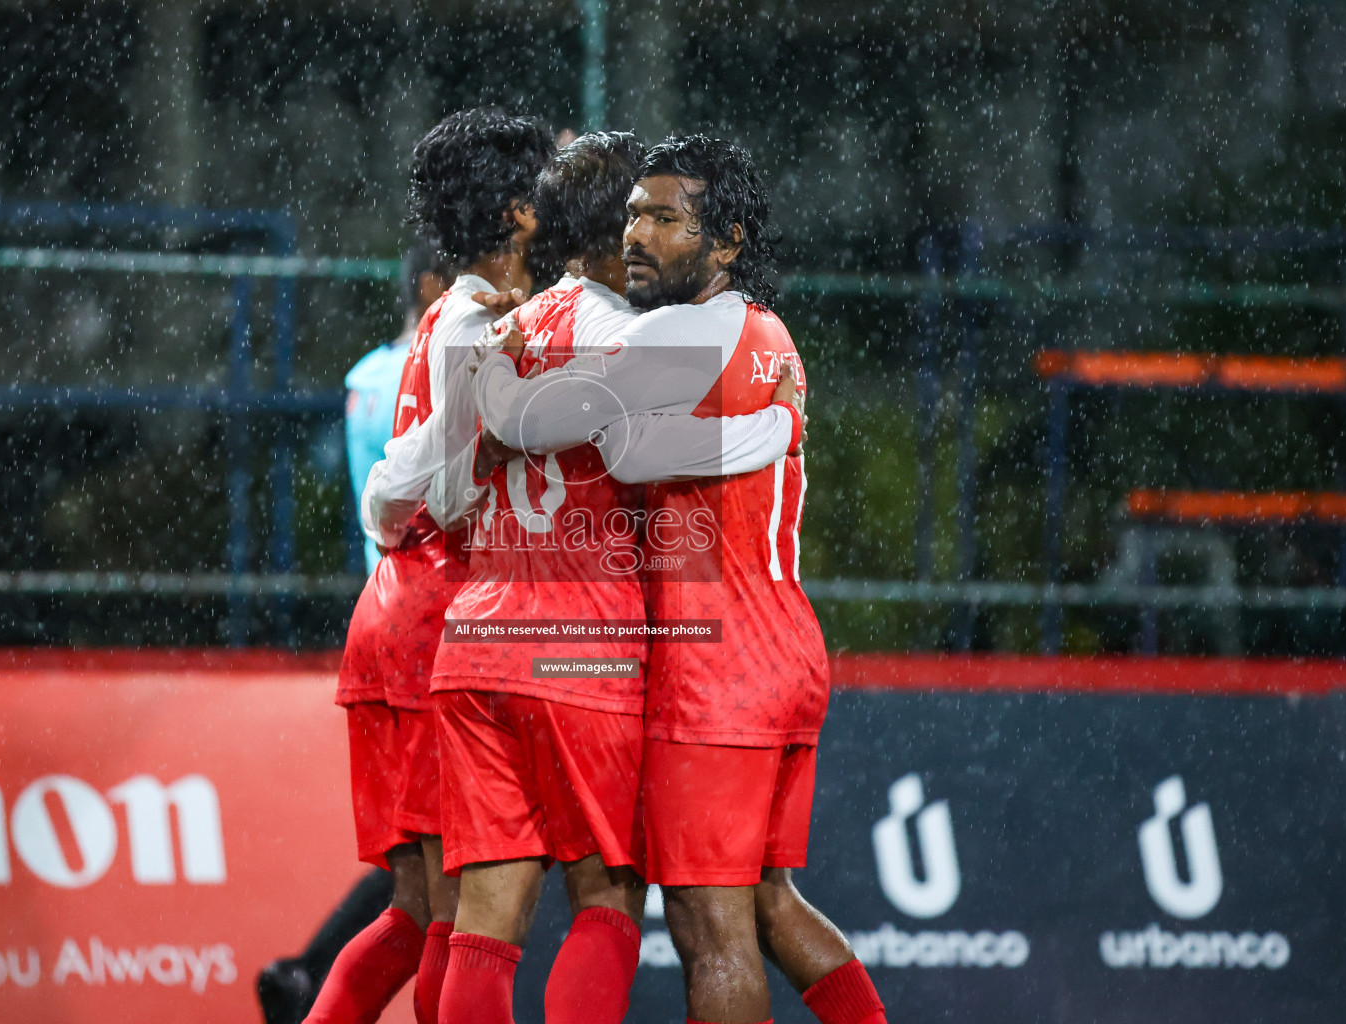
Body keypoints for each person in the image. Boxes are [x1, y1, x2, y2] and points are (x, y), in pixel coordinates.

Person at [470, 136, 887, 1024]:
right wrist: (772, 434)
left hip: (717, 663)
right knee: (770, 903)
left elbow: (559, 429)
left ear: (727, 241)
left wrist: (500, 362)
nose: (638, 234)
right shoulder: (766, 331)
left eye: (666, 219)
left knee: (708, 929)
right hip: (786, 644)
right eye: (632, 214)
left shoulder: (678, 330)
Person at [304, 107, 552, 1024]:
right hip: (435, 623)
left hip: (400, 610)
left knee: (419, 913)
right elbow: (434, 488)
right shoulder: (473, 328)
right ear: (520, 212)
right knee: (464, 911)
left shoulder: (452, 316)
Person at [256, 245, 454, 1024]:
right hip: (439, 621)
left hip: (379, 603)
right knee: (454, 882)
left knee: (417, 874)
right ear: (442, 284)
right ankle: (306, 975)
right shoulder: (441, 365)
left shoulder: (364, 377)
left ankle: (306, 976)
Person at [344, 244, 454, 571]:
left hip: (378, 574)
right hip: (429, 579)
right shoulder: (426, 369)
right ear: (431, 285)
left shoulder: (362, 378)